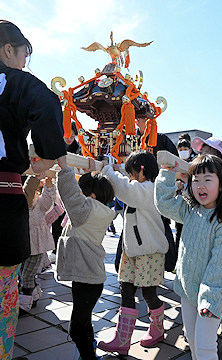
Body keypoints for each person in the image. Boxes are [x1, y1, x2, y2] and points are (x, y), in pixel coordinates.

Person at [0, 20, 66, 360]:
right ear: (8, 49)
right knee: (3, 294)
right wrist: (46, 155)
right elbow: (47, 104)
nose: (26, 59)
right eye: (25, 51)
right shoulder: (16, 82)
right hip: (3, 199)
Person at [154, 154, 222, 360]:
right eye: (196, 180)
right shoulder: (190, 209)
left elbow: (221, 266)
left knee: (205, 347)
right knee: (192, 341)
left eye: (208, 179)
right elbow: (164, 203)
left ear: (221, 185)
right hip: (187, 289)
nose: (200, 185)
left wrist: (209, 300)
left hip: (210, 297)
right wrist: (167, 172)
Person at [98, 150, 169, 355]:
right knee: (126, 290)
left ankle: (157, 328)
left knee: (148, 294)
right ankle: (122, 339)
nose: (129, 177)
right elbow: (127, 187)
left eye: (131, 172)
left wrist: (109, 172)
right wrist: (116, 170)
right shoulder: (141, 187)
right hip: (134, 250)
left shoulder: (149, 189)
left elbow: (125, 189)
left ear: (142, 171)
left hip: (149, 251)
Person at [56, 156, 115, 360]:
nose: (80, 196)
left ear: (91, 196)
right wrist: (91, 174)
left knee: (76, 328)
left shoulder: (86, 210)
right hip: (90, 279)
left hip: (86, 279)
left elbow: (70, 196)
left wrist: (65, 169)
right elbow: (80, 196)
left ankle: (89, 357)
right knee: (85, 321)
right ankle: (89, 351)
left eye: (84, 193)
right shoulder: (99, 210)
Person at [19, 176, 57, 313]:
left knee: (27, 275)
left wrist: (48, 185)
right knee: (25, 272)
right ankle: (34, 296)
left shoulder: (40, 205)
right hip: (25, 246)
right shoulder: (22, 206)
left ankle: (25, 303)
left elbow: (48, 198)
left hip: (37, 247)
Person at [50, 121, 81, 264]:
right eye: (67, 135)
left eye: (72, 135)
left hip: (73, 186)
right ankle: (56, 249)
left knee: (70, 220)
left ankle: (68, 250)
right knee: (56, 219)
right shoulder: (55, 145)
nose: (69, 138)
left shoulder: (80, 149)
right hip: (57, 185)